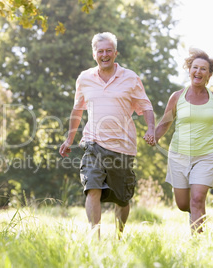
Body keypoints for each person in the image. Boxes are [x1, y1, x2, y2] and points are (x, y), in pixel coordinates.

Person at [59, 32, 155, 239]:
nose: (105, 55)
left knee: (122, 199)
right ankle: (96, 238)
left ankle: (119, 237)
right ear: (94, 54)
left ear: (115, 53)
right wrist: (70, 139)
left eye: (108, 51)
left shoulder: (130, 77)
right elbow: (77, 110)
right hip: (93, 143)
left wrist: (151, 128)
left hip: (122, 146)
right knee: (92, 188)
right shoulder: (84, 78)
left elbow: (146, 106)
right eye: (100, 51)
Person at [155, 48, 213, 233]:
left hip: (205, 155)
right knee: (183, 204)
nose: (198, 71)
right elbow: (165, 123)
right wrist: (153, 137)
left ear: (209, 75)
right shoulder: (177, 97)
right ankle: (198, 214)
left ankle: (199, 242)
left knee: (197, 199)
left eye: (203, 69)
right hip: (178, 155)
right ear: (189, 70)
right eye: (195, 67)